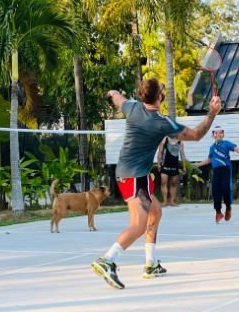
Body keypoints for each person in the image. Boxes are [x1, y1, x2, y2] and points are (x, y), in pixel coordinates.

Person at [92, 79, 221, 290]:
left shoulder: (132, 107)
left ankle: (151, 264)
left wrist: (111, 90)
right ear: (159, 97)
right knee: (138, 225)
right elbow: (197, 135)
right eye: (162, 91)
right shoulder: (162, 123)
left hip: (136, 174)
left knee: (156, 212)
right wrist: (212, 113)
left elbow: (118, 98)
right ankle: (107, 259)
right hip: (132, 177)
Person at [196, 125, 239, 223]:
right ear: (213, 135)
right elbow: (209, 159)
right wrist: (198, 164)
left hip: (226, 169)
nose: (218, 134)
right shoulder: (212, 148)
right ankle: (218, 212)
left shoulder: (226, 143)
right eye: (216, 133)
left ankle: (228, 208)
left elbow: (237, 148)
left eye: (220, 132)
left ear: (223, 134)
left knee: (226, 188)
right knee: (215, 191)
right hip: (216, 170)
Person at [156, 136, 187, 206]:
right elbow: (160, 152)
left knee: (173, 183)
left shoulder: (180, 142)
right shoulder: (165, 140)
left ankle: (172, 201)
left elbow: (182, 154)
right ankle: (164, 201)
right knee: (164, 182)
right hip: (165, 165)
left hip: (175, 165)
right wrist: (158, 164)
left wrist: (184, 166)